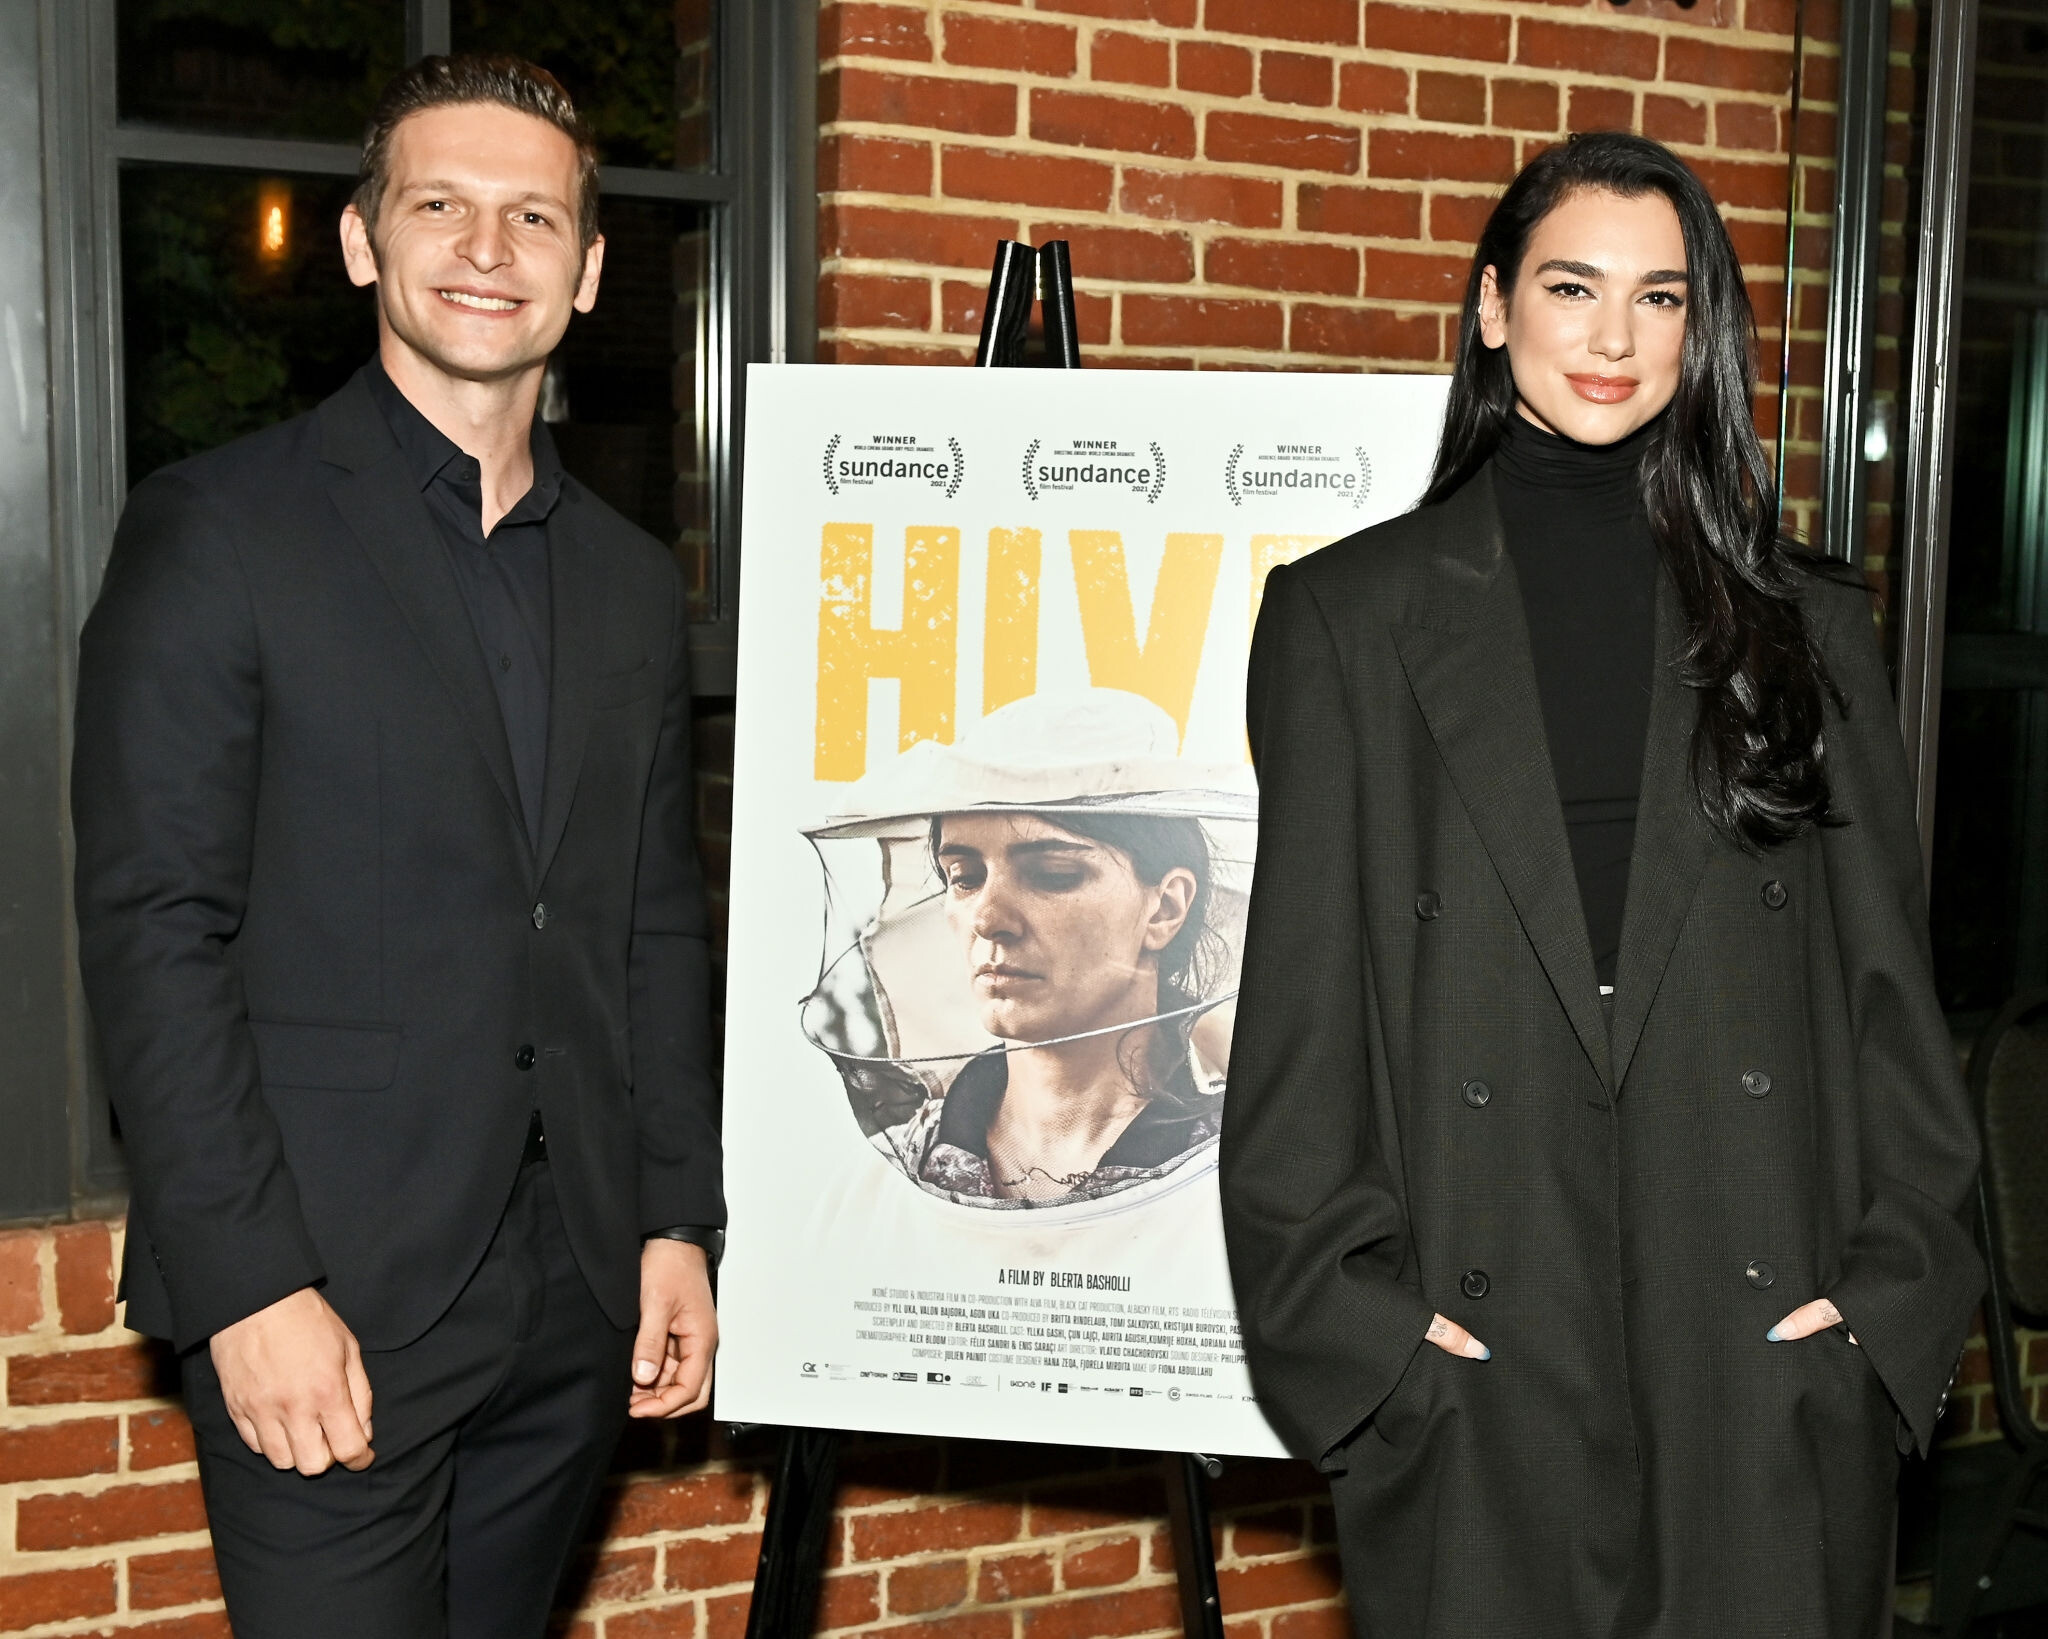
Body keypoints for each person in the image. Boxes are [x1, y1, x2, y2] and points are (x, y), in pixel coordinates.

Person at [1222, 131, 1985, 1638]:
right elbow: (1297, 1025)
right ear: (1491, 306)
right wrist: (1370, 1343)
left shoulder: (1804, 620)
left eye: (1660, 297)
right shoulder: (1346, 619)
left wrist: (1883, 1305)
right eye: (1572, 287)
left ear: (1700, 330)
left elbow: (1890, 999)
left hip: (1757, 1320)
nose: (1614, 337)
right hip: (1483, 1324)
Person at [70, 55, 723, 1639]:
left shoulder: (635, 583)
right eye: (441, 206)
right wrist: (248, 1284)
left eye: (533, 217)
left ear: (589, 269)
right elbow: (155, 927)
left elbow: (650, 923)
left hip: (576, 1295)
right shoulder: (220, 529)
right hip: (325, 1291)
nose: (488, 249)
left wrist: (674, 1219)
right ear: (365, 241)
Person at [881, 806, 1221, 1204]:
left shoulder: (1242, 1156)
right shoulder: (890, 1173)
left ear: (1165, 909)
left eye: (1052, 875)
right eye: (965, 878)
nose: (986, 919)